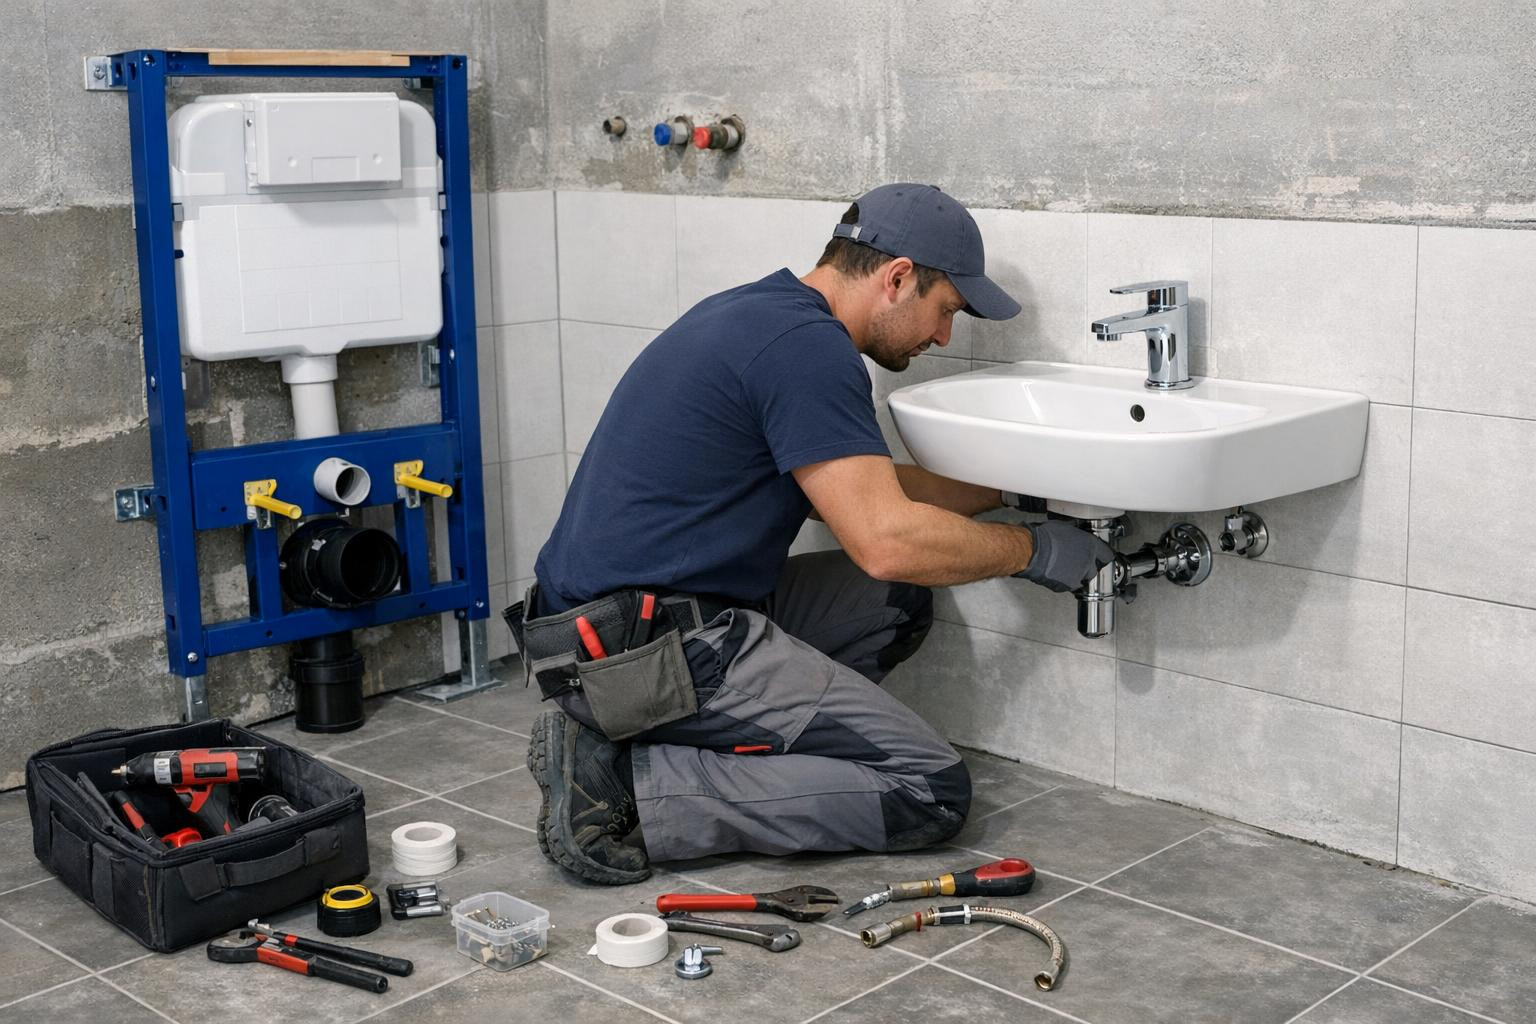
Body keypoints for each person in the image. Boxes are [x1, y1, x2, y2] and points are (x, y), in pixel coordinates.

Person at [509, 183, 1114, 884]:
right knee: (929, 791)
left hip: (606, 630)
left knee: (894, 603)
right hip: (644, 649)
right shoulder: (808, 350)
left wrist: (1010, 496)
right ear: (897, 278)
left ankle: (709, 744)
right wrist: (1032, 552)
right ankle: (632, 790)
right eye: (945, 310)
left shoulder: (766, 314)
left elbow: (860, 494)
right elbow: (885, 540)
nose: (943, 336)